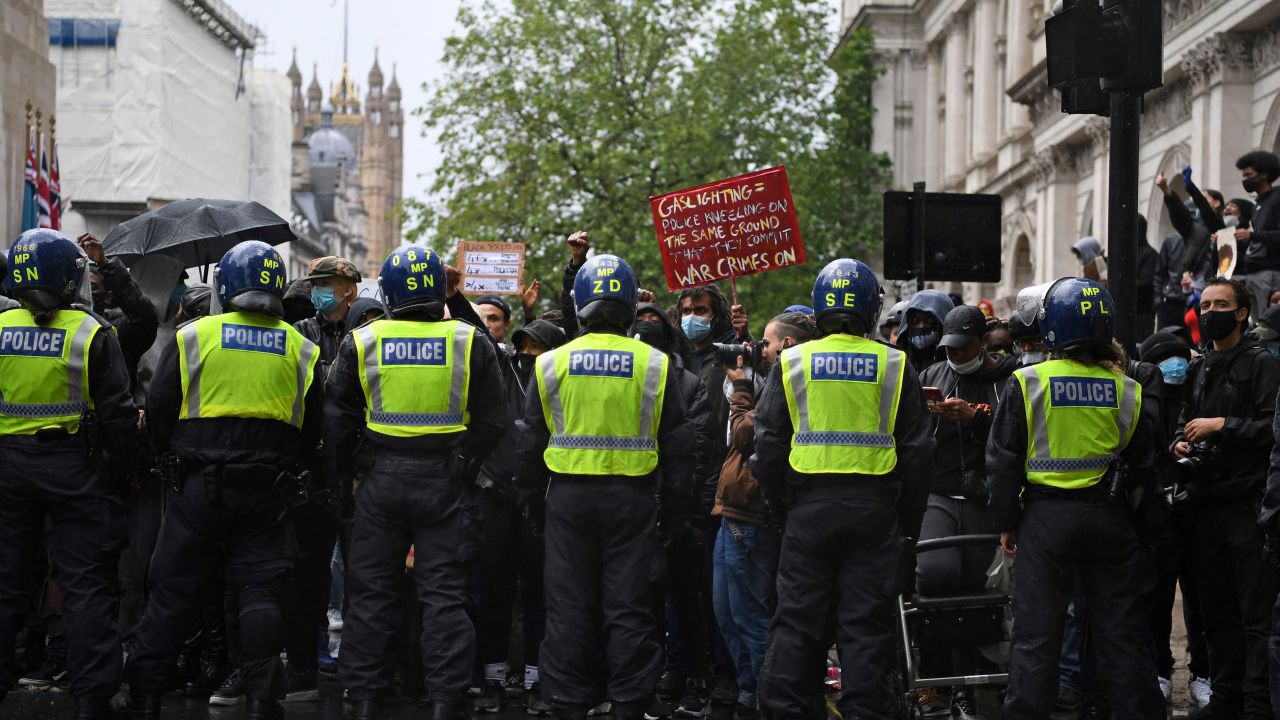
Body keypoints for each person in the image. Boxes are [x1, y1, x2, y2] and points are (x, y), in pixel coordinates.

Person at [125, 240, 322, 720]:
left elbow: (160, 411)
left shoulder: (195, 335)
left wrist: (167, 457)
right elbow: (312, 430)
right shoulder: (303, 348)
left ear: (226, 285)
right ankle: (260, 699)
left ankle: (146, 696)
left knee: (172, 590)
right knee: (258, 592)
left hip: (197, 485)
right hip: (267, 491)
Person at [324, 245, 507, 720]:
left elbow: (338, 424)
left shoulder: (363, 340)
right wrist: (466, 465)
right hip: (446, 483)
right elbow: (497, 418)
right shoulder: (469, 340)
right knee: (445, 598)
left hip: (381, 483)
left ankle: (363, 699)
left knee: (369, 596)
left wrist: (342, 489)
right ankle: (446, 702)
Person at [753, 259, 933, 719]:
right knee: (866, 628)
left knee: (796, 623)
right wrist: (905, 529)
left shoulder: (792, 361)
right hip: (875, 515)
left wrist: (780, 510)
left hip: (808, 511)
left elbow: (769, 445)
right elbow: (916, 454)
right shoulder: (895, 363)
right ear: (872, 308)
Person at [515, 254, 692, 720]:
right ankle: (630, 703)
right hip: (631, 500)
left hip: (568, 500)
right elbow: (677, 445)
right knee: (629, 607)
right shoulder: (655, 364)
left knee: (569, 607)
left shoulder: (551, 363)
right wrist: (673, 513)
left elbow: (530, 443)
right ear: (631, 303)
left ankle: (568, 701)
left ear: (580, 305)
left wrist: (531, 506)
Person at [986, 277, 1165, 719]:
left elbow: (1003, 461)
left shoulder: (1027, 382)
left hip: (1046, 520)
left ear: (1052, 330)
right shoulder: (1127, 389)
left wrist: (1006, 521)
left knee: (1036, 634)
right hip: (1109, 517)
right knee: (1121, 635)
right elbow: (1145, 464)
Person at [0, 230, 135, 720]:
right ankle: (93, 698)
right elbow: (119, 416)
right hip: (73, 470)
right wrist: (120, 475)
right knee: (85, 584)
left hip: (7, 469)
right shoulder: (92, 332)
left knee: (7, 583)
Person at [1171, 278, 1279, 720]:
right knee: (1214, 612)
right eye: (1205, 304)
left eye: (1220, 304)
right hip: (1204, 505)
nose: (1210, 311)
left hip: (1247, 506)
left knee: (1254, 615)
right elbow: (1183, 420)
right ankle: (1225, 697)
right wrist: (1180, 441)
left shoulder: (1262, 365)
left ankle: (1256, 705)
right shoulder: (1199, 367)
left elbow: (1272, 431)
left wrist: (1224, 425)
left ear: (1240, 313)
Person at [712, 311, 816, 720]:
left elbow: (747, 433)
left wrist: (740, 390)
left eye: (767, 344)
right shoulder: (775, 376)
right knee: (727, 614)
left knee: (752, 618)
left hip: (753, 517)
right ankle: (747, 691)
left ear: (787, 346)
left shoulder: (794, 380)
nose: (760, 350)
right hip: (734, 511)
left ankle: (768, 700)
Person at [915, 304, 1016, 720]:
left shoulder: (1008, 381)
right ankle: (934, 683)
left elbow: (1014, 436)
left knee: (979, 590)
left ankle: (968, 687)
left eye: (963, 348)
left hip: (983, 497)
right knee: (936, 577)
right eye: (949, 349)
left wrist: (974, 418)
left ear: (982, 342)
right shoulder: (933, 375)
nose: (955, 356)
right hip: (939, 492)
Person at [630, 301, 717, 720]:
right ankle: (657, 676)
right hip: (636, 510)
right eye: (638, 324)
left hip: (678, 511)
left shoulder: (686, 383)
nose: (647, 331)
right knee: (641, 603)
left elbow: (698, 453)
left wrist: (693, 515)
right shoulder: (627, 375)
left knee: (686, 600)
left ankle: (695, 677)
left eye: (654, 325)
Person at [283, 254, 363, 702]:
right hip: (311, 472)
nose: (318, 289)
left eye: (325, 282)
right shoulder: (302, 332)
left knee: (362, 578)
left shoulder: (368, 334)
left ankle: (359, 671)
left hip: (355, 473)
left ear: (349, 287)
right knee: (307, 578)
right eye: (313, 283)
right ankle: (302, 669)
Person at [1137, 331, 1213, 709]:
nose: (1176, 364)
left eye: (1181, 356)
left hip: (1196, 513)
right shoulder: (1144, 400)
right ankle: (1160, 670)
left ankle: (1202, 672)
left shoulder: (1198, 395)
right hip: (1157, 516)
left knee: (1200, 599)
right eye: (1167, 358)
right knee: (1157, 598)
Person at [1237, 151, 1280, 316]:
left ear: (1264, 174)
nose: (1245, 180)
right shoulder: (1257, 206)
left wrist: (1252, 236)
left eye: (1249, 174)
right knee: (1256, 329)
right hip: (1253, 276)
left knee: (1269, 326)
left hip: (1270, 275)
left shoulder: (1277, 198)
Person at [896, 290, 954, 371]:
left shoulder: (956, 366)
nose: (921, 326)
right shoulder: (898, 364)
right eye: (915, 321)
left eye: (929, 321)